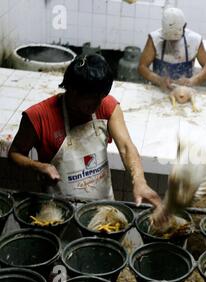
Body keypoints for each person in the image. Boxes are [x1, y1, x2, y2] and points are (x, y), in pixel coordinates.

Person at [8, 54, 161, 208]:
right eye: (92, 98)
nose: (98, 103)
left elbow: (126, 147)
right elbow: (15, 153)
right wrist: (38, 166)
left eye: (102, 97)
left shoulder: (107, 106)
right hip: (59, 213)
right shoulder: (39, 116)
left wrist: (139, 181)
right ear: (72, 91)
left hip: (103, 210)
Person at [138, 7, 206, 90]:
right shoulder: (154, 39)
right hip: (158, 89)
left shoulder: (194, 40)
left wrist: (192, 81)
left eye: (175, 39)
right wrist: (159, 80)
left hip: (184, 91)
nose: (172, 42)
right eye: (169, 39)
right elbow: (142, 67)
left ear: (184, 26)